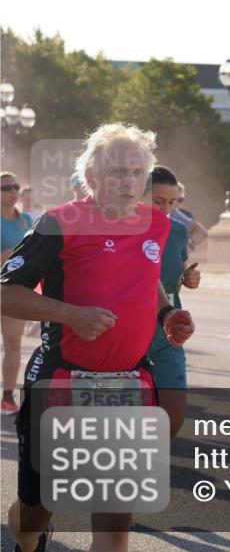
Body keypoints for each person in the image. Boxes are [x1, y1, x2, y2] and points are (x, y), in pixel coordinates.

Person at [2, 123, 195, 552]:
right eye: (115, 172)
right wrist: (70, 314)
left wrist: (166, 312)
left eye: (135, 172)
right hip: (61, 380)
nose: (127, 182)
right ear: (91, 178)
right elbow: (6, 293)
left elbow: (147, 279)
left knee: (114, 522)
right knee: (35, 511)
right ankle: (28, 539)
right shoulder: (59, 222)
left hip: (126, 383)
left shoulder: (156, 225)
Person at [146, 165, 201, 437]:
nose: (166, 209)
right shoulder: (123, 229)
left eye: (172, 202)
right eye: (159, 201)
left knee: (172, 419)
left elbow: (177, 269)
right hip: (128, 332)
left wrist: (187, 277)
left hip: (168, 333)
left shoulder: (177, 231)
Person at [1, 172, 33, 415]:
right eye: (5, 188)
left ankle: (7, 397)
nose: (12, 191)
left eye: (15, 187)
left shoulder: (26, 222)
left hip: (13, 292)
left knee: (13, 344)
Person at [169, 182, 208, 248]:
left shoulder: (177, 214)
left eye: (180, 200)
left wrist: (188, 245)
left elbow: (202, 232)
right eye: (173, 199)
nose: (176, 203)